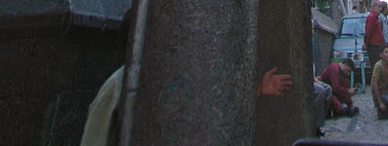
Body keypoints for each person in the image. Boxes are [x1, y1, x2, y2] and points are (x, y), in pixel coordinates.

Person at [80, 67, 291, 145]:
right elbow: (94, 136)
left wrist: (255, 90)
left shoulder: (179, 75)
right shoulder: (118, 84)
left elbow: (208, 102)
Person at [364, 0, 385, 69]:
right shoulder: (371, 17)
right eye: (379, 6)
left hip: (378, 47)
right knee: (376, 68)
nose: (380, 9)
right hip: (374, 48)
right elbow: (368, 32)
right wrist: (365, 43)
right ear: (374, 7)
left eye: (381, 7)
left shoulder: (376, 17)